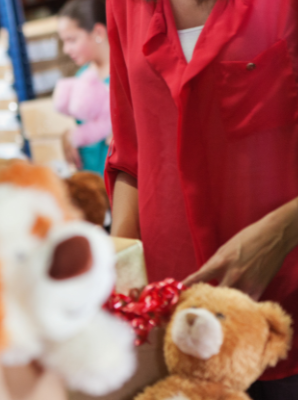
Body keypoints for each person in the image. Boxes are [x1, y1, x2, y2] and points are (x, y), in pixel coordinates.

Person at [105, 0, 298, 398]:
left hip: (282, 308)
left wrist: (281, 233)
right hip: (179, 325)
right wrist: (120, 271)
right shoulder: (124, 7)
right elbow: (131, 154)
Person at [53, 0, 111, 175]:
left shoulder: (126, 74)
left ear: (98, 32)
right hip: (93, 180)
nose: (65, 49)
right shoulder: (81, 77)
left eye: (71, 40)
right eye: (63, 42)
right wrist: (68, 137)